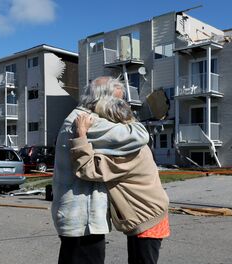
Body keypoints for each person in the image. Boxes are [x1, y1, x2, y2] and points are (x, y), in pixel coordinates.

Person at [51, 76, 149, 264]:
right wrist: (127, 114)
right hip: (83, 222)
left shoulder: (79, 117)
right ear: (103, 99)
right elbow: (140, 135)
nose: (120, 105)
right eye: (118, 101)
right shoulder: (88, 121)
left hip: (77, 218)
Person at [70, 97, 169, 264]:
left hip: (147, 219)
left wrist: (81, 134)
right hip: (150, 214)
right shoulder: (132, 139)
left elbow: (88, 169)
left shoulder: (128, 151)